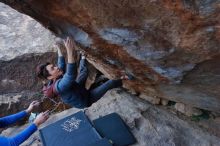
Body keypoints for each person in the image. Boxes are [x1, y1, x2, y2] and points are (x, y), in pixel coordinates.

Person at [36, 37, 130, 109]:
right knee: (111, 83)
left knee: (84, 73)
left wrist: (58, 47)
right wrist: (69, 51)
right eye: (53, 68)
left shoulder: (55, 76)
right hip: (86, 100)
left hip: (79, 90)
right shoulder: (59, 87)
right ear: (50, 77)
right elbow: (70, 75)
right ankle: (125, 78)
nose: (56, 67)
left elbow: (61, 64)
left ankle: (83, 57)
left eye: (54, 66)